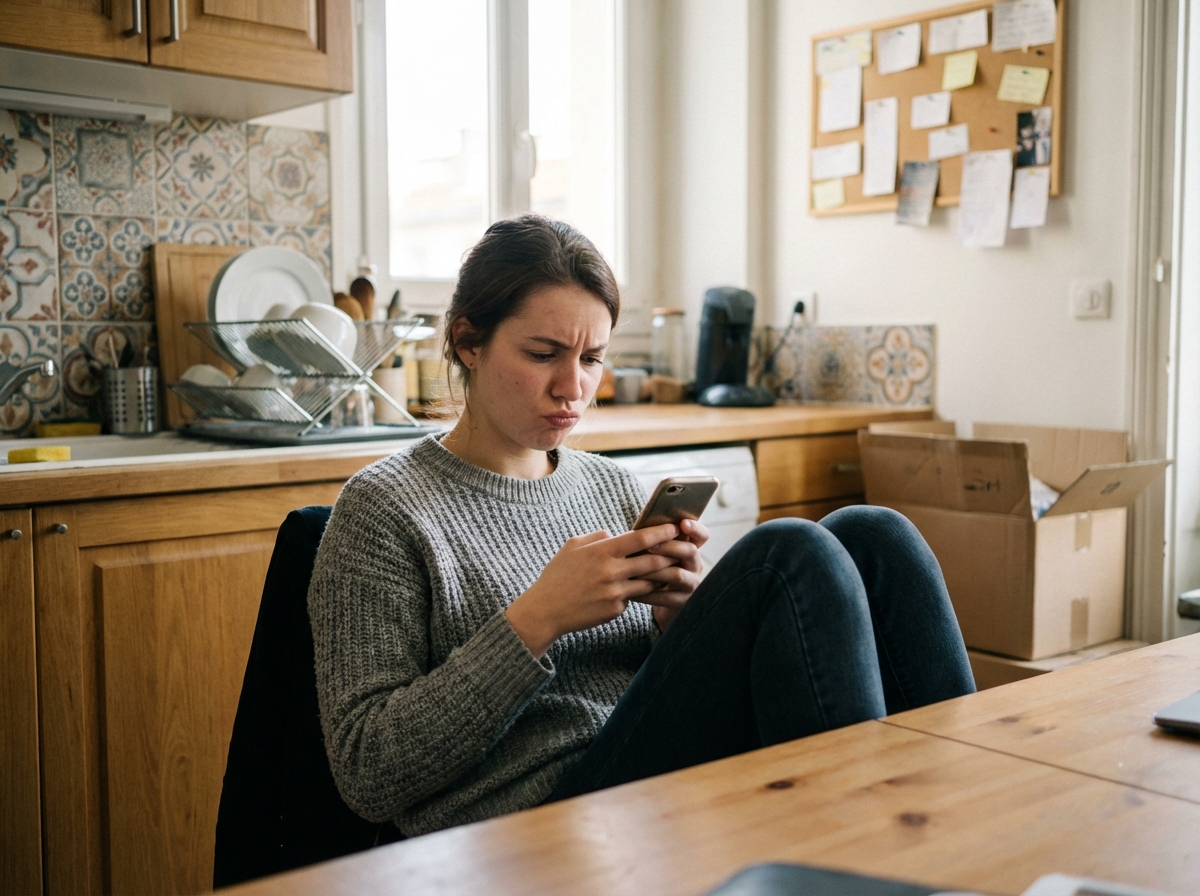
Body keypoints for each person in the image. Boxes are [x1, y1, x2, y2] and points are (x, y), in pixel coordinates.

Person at [307, 214, 975, 839]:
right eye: (543, 353)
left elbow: (665, 692)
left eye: (592, 358)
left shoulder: (611, 487)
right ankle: (867, 861)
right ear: (467, 342)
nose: (573, 387)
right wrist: (537, 619)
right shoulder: (384, 510)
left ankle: (970, 823)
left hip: (654, 772)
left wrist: (680, 618)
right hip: (539, 816)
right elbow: (367, 773)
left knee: (874, 534)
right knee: (787, 554)